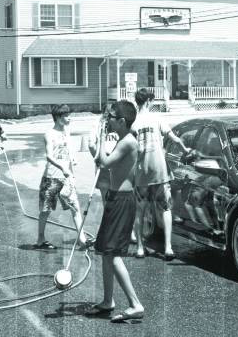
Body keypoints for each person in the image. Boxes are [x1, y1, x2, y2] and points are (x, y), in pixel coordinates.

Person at [86, 100, 144, 322]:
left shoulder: (127, 142)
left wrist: (100, 136)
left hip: (122, 201)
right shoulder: (124, 138)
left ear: (121, 121)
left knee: (114, 254)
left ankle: (135, 304)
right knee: (106, 252)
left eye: (110, 117)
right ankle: (108, 300)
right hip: (116, 199)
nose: (106, 119)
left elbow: (103, 162)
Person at [133, 88, 195, 260]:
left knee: (140, 210)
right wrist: (185, 149)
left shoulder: (134, 122)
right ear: (147, 101)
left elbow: (131, 148)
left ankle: (140, 248)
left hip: (142, 172)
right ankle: (168, 248)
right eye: (151, 101)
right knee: (166, 208)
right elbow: (174, 137)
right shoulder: (156, 118)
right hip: (159, 171)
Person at [35, 104, 88, 250]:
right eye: (66, 116)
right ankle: (40, 239)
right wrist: (62, 167)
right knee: (45, 210)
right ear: (58, 118)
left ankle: (82, 239)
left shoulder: (67, 132)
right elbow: (49, 156)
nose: (69, 118)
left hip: (67, 179)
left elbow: (69, 150)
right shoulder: (49, 134)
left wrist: (73, 160)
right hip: (51, 178)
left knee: (75, 208)